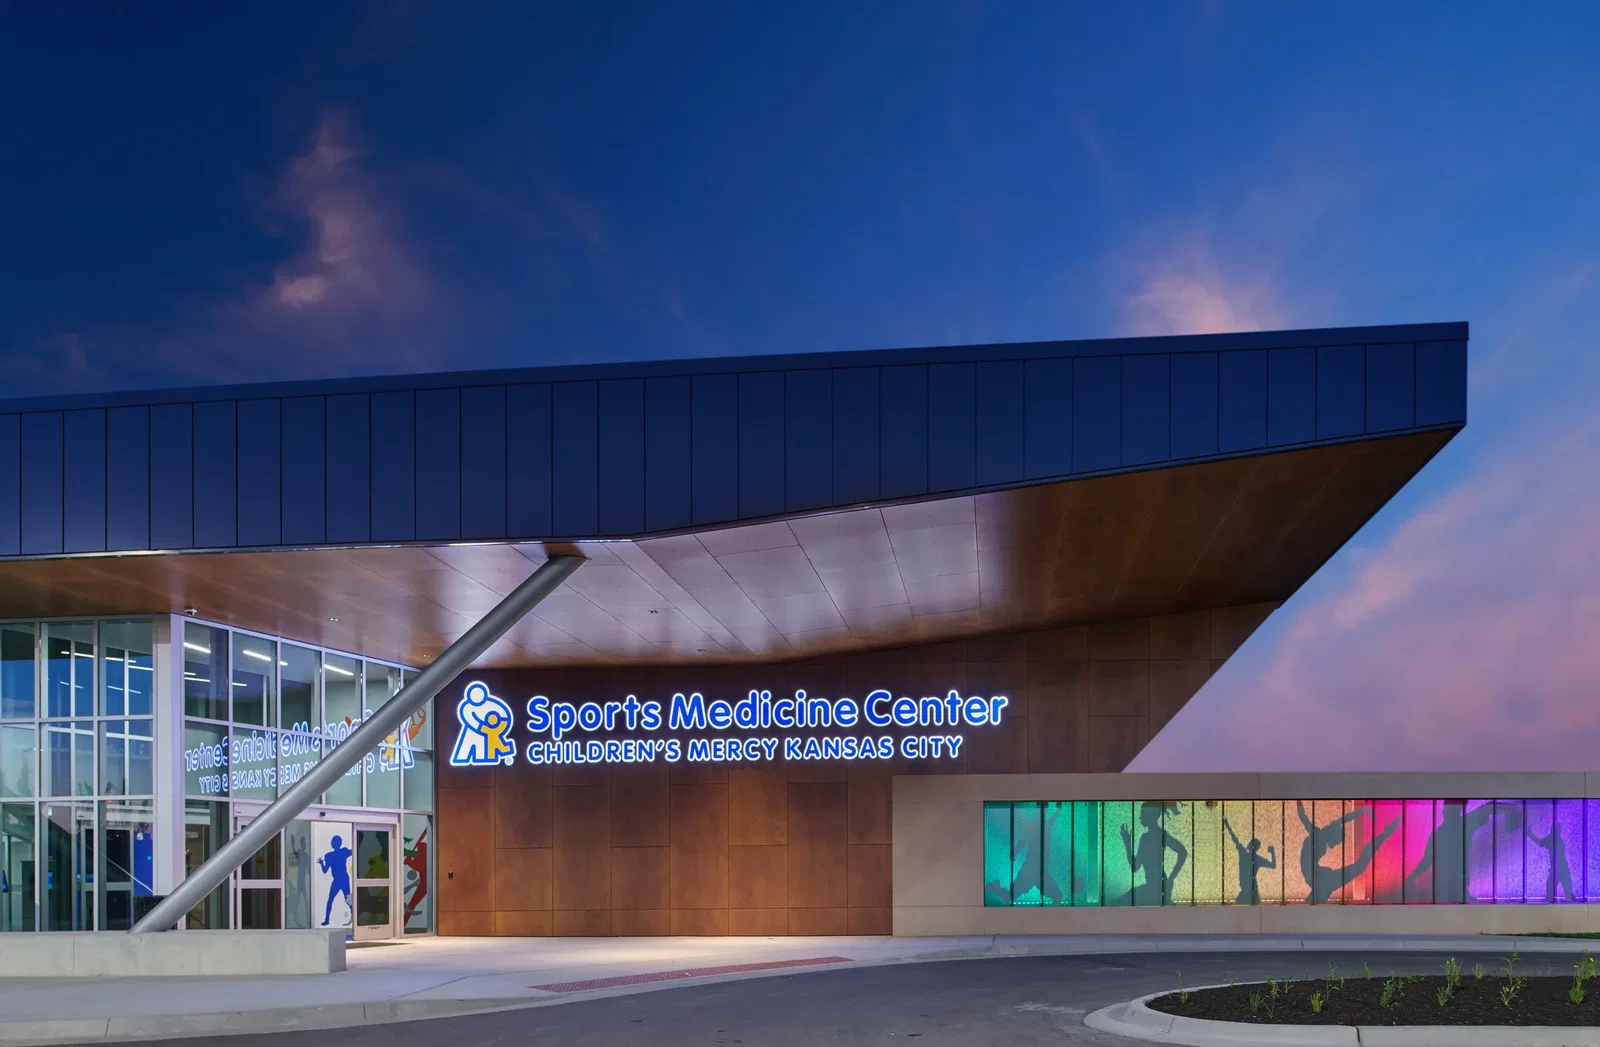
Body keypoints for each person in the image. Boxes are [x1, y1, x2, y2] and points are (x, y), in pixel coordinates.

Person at [1297, 802, 1398, 904]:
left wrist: (1363, 810)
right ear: (1332, 835)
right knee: (1360, 866)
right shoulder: (1317, 833)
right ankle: (1385, 834)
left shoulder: (1319, 833)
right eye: (1336, 842)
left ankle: (1385, 834)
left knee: (1359, 866)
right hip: (1315, 875)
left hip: (1316, 874)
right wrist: (1298, 801)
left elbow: (1346, 818)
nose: (1334, 845)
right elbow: (1303, 817)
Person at [1121, 802, 1186, 904]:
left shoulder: (1147, 838)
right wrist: (1171, 878)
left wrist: (1127, 844)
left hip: (1154, 888)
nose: (1140, 817)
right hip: (1156, 886)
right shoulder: (1159, 834)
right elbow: (1182, 852)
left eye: (1142, 814)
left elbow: (1135, 867)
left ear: (1150, 816)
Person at [1223, 817, 1276, 904]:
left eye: (1251, 843)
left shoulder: (1245, 854)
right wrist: (1272, 852)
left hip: (1250, 892)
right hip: (1249, 892)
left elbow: (1235, 839)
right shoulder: (1253, 857)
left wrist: (1227, 825)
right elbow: (1235, 839)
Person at [319, 834, 353, 927]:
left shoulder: (330, 856)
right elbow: (325, 871)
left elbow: (325, 870)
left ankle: (327, 920)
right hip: (341, 879)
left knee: (345, 899)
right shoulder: (341, 852)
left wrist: (322, 863)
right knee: (346, 899)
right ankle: (327, 920)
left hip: (340, 879)